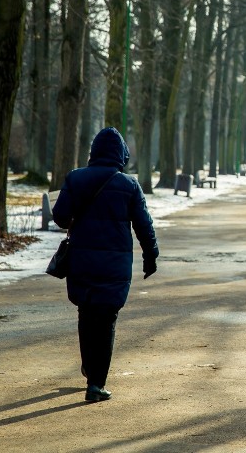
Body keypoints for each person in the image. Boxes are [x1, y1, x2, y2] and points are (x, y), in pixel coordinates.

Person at [52, 127, 159, 403]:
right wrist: (151, 256)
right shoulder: (129, 185)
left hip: (82, 261)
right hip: (115, 264)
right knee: (107, 318)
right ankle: (97, 383)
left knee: (86, 313)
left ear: (94, 152)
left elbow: (61, 216)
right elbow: (144, 225)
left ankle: (90, 367)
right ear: (121, 154)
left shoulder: (76, 179)